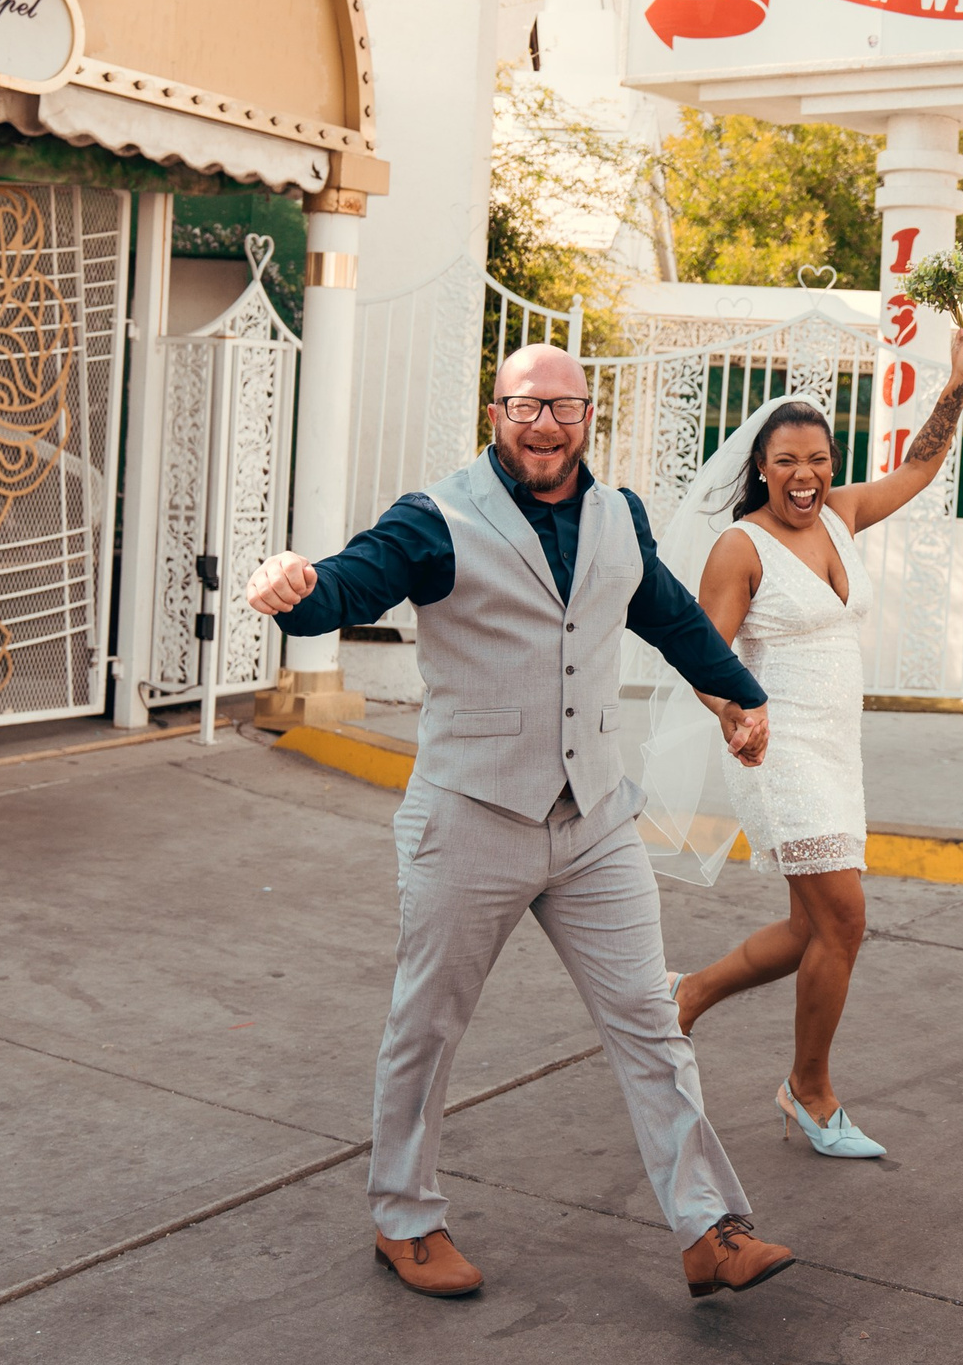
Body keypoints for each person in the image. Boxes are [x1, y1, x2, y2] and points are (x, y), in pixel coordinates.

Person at [242, 343, 796, 1303]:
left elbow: (667, 615)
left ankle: (710, 1226)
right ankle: (404, 1219)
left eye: (564, 407)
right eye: (525, 407)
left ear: (590, 415)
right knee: (429, 1026)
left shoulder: (619, 516)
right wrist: (299, 589)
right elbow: (350, 583)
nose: (545, 425)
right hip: (472, 815)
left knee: (652, 1026)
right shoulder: (437, 517)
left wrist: (738, 695)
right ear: (495, 412)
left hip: (595, 822)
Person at [666, 325, 963, 1159]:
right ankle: (808, 1090)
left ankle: (687, 994)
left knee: (814, 927)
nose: (804, 477)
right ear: (760, 469)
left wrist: (954, 386)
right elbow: (699, 652)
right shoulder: (742, 548)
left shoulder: (841, 518)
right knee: (845, 917)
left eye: (818, 459)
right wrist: (735, 711)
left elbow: (917, 468)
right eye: (787, 462)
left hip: (838, 749)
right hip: (779, 749)